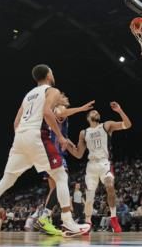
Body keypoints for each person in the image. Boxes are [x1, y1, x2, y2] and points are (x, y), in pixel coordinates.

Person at [0, 64, 90, 238]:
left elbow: (16, 122)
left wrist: (22, 139)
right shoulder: (52, 90)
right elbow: (48, 113)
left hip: (20, 138)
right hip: (37, 135)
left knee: (6, 181)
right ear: (48, 75)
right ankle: (68, 222)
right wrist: (60, 137)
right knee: (61, 175)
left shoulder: (28, 95)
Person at [68, 102, 132, 233]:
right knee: (89, 196)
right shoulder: (83, 133)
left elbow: (128, 125)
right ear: (88, 118)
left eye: (96, 112)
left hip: (104, 163)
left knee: (110, 186)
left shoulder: (106, 125)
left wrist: (120, 111)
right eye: (92, 112)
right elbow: (78, 154)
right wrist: (67, 144)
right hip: (91, 166)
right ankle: (88, 222)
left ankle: (113, 218)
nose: (95, 112)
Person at [36, 94, 95, 235]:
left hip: (50, 152)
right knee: (62, 181)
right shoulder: (57, 109)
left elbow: (75, 150)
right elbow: (61, 113)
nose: (66, 99)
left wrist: (74, 144)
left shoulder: (58, 117)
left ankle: (47, 220)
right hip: (53, 153)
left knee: (55, 190)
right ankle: (51, 219)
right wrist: (81, 109)